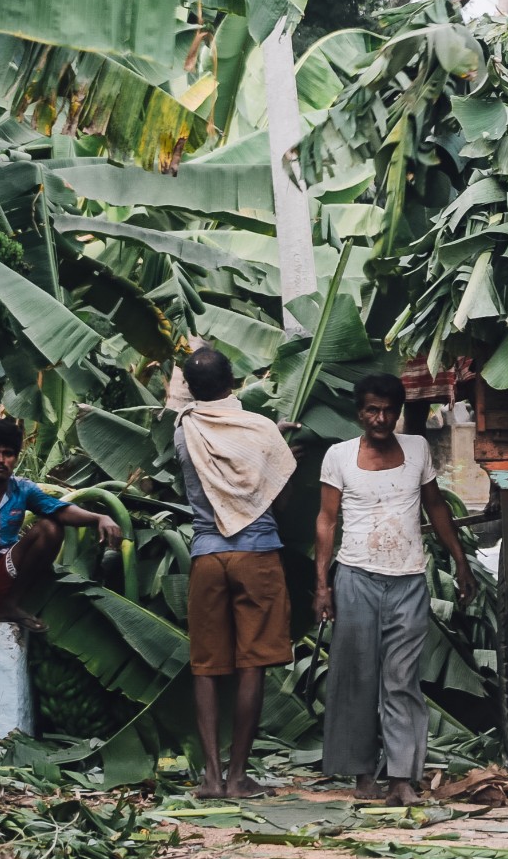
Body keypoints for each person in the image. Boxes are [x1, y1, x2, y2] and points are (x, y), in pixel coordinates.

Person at [315, 372, 475, 806]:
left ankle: (402, 777)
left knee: (402, 679)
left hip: (407, 580)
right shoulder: (339, 456)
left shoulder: (418, 449)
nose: (381, 418)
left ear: (399, 410)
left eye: (388, 410)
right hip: (354, 579)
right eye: (372, 409)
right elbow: (327, 521)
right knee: (356, 678)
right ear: (359, 411)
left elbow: (436, 506)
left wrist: (460, 561)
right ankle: (363, 774)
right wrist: (322, 585)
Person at [169, 344, 299, 798]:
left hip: (207, 555)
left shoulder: (183, 430)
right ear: (234, 381)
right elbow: (274, 501)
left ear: (191, 387)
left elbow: (220, 453)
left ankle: (210, 776)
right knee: (252, 666)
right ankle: (239, 776)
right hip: (257, 554)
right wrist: (276, 445)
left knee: (206, 666)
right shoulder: (262, 430)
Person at [0, 418, 122, 636]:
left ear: (15, 458)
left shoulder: (24, 488)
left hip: (6, 568)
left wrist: (99, 518)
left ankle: (10, 605)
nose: (0, 460)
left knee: (51, 528)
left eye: (8, 454)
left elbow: (58, 509)